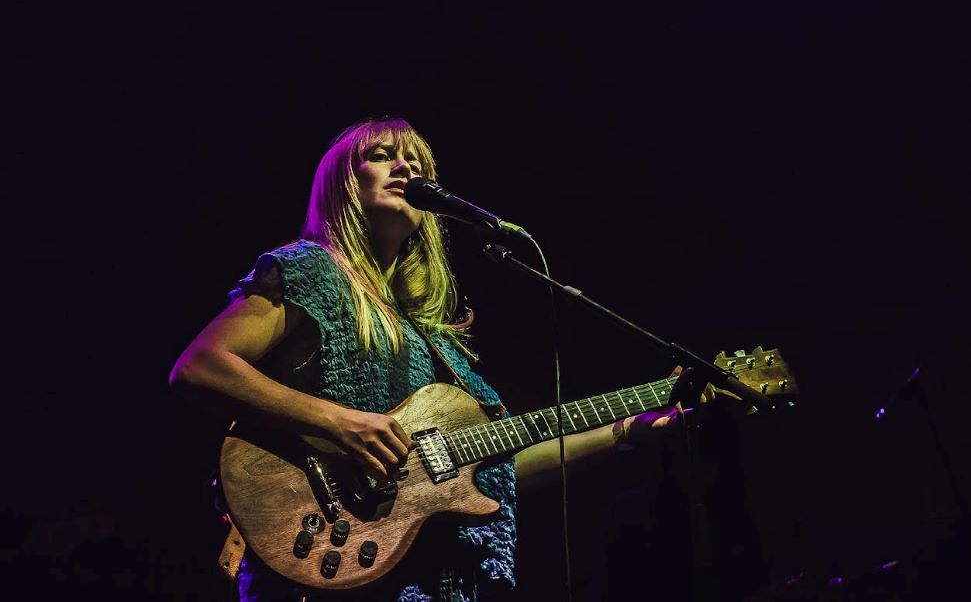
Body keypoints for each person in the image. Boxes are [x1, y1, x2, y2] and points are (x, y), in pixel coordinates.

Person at [169, 118, 702, 601]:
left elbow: (498, 469)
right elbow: (200, 366)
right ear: (342, 184)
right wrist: (340, 422)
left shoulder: (435, 341)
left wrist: (628, 429)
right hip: (328, 556)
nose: (405, 167)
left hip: (428, 583)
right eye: (382, 156)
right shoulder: (311, 270)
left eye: (416, 163)